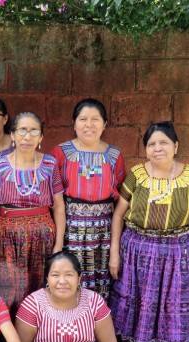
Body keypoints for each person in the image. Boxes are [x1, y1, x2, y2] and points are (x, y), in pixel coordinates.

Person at [109, 121, 189, 342]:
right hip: (137, 251)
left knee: (171, 307)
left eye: (164, 143)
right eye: (152, 144)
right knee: (136, 305)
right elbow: (119, 215)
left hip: (176, 252)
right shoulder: (137, 175)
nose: (158, 148)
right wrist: (114, 253)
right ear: (145, 149)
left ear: (176, 146)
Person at [0, 111, 65, 316]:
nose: (27, 136)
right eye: (22, 130)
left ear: (41, 137)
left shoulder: (49, 164)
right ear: (12, 134)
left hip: (42, 238)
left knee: (40, 287)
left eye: (33, 131)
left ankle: (38, 339)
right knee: (9, 289)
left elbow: (58, 206)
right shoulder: (0, 166)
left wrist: (58, 244)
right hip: (7, 238)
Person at [51, 98, 126, 300]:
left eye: (95, 119)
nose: (89, 124)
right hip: (70, 229)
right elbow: (53, 195)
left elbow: (121, 196)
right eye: (83, 119)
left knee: (103, 279)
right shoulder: (61, 153)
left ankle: (96, 325)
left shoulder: (114, 155)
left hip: (104, 231)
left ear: (105, 124)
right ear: (74, 124)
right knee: (69, 277)